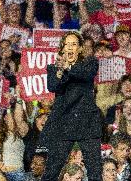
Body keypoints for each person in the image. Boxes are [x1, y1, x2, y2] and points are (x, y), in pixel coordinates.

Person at [39, 31, 102, 181]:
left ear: (80, 49)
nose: (70, 47)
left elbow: (86, 75)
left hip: (87, 123)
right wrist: (61, 70)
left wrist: (68, 66)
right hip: (64, 124)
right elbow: (53, 86)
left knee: (94, 171)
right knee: (52, 170)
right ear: (62, 48)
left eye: (74, 44)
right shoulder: (54, 69)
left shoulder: (89, 63)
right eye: (67, 44)